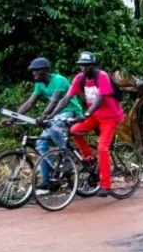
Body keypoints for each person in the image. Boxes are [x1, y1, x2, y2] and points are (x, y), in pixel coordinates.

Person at [45, 52, 124, 197]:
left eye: (87, 65)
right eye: (81, 64)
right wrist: (51, 115)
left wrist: (86, 114)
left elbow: (100, 98)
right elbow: (66, 98)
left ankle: (105, 185)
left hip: (109, 117)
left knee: (102, 148)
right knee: (74, 131)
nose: (84, 67)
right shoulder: (79, 79)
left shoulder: (102, 77)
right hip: (94, 116)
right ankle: (89, 159)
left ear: (93, 65)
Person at [5, 57, 83, 189]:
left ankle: (69, 157)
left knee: (53, 129)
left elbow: (54, 101)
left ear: (45, 70)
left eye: (36, 70)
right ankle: (49, 179)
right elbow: (30, 103)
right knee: (41, 145)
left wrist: (44, 116)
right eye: (32, 70)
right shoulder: (39, 84)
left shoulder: (59, 80)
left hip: (70, 111)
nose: (33, 73)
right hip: (55, 114)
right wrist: (14, 118)